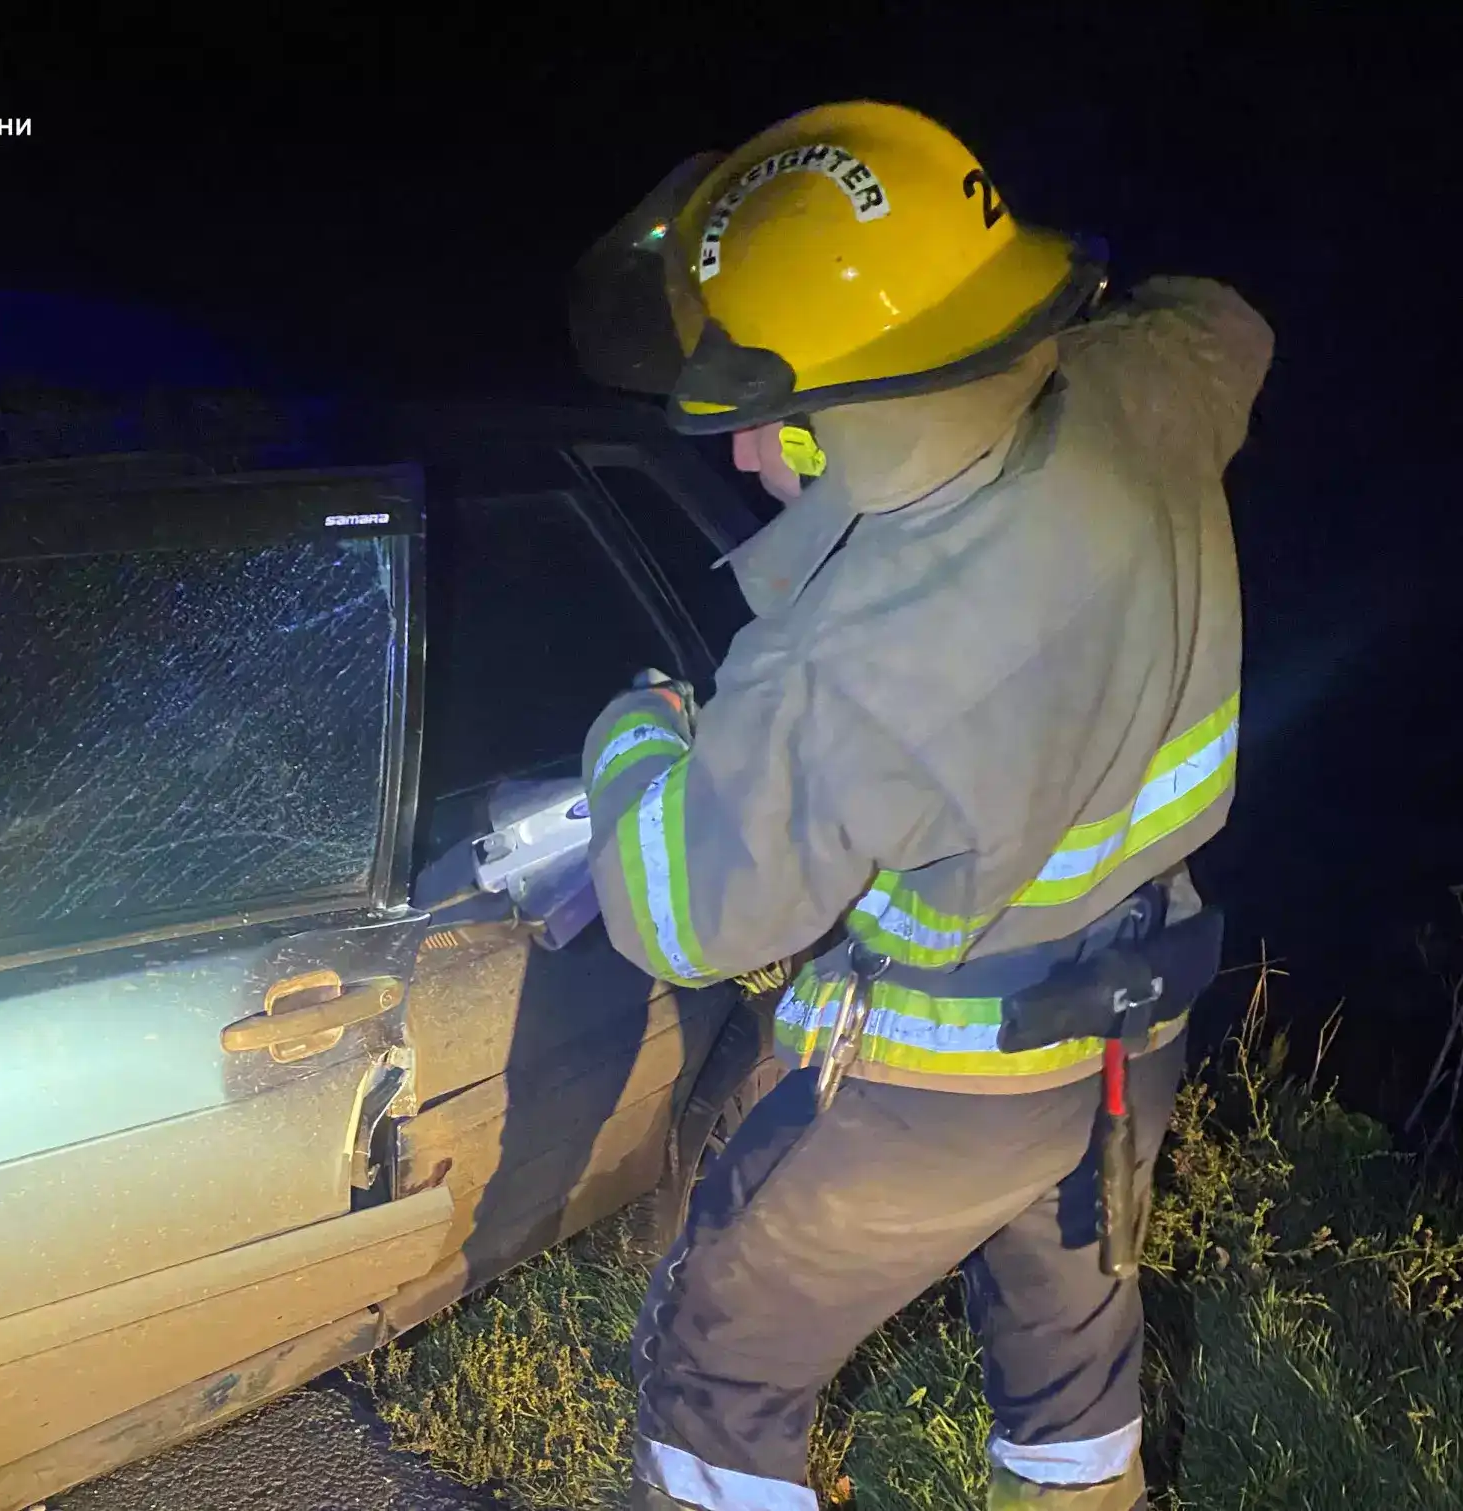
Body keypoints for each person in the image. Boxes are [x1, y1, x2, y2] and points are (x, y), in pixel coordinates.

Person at [567, 101, 1272, 1510]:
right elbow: (1227, 320)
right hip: (1128, 1043)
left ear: (860, 419)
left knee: (716, 1387)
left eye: (768, 423)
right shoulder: (1148, 391)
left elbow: (682, 911)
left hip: (931, 1093)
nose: (746, 458)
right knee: (1074, 1393)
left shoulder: (855, 652)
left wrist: (633, 738)